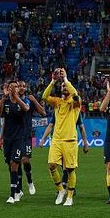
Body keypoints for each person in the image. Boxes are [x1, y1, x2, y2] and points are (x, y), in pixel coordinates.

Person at [42, 68, 81, 206]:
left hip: (70, 140)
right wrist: (53, 81)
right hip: (57, 140)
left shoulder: (75, 103)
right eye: (63, 86)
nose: (64, 87)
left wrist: (65, 79)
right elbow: (44, 97)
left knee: (70, 170)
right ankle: (61, 190)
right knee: (52, 165)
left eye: (66, 86)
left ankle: (70, 196)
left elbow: (75, 94)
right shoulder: (57, 102)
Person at [0, 81, 30, 204]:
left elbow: (26, 109)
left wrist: (16, 97)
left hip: (18, 138)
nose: (13, 88)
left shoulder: (23, 102)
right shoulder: (6, 103)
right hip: (7, 139)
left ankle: (12, 195)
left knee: (14, 163)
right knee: (10, 166)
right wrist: (0, 138)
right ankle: (18, 189)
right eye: (11, 87)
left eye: (15, 87)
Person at [39, 113, 89, 194]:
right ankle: (63, 188)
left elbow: (81, 128)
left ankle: (68, 189)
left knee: (67, 168)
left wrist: (85, 143)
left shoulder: (75, 111)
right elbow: (51, 125)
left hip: (69, 142)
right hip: (57, 141)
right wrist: (43, 139)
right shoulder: (57, 110)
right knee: (55, 165)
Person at [18, 80, 46, 195]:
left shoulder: (30, 100)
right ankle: (18, 188)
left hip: (26, 136)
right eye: (20, 86)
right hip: (14, 136)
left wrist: (35, 101)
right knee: (15, 162)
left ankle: (29, 182)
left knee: (25, 160)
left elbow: (43, 113)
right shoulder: (11, 100)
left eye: (24, 86)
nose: (22, 88)